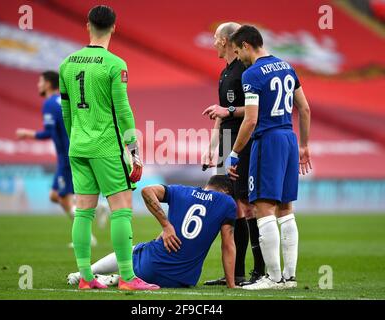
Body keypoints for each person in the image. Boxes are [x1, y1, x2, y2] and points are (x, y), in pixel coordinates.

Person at [59, 5, 157, 291]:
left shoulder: (67, 63)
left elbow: (65, 111)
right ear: (114, 28)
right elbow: (123, 110)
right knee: (122, 209)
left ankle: (86, 278)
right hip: (106, 147)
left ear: (87, 25)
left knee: (84, 212)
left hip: (78, 147)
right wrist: (133, 147)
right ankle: (127, 277)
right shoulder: (115, 64)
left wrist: (75, 138)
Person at [226, 25, 312, 290]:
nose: (238, 56)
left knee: (263, 208)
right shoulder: (287, 66)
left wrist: (234, 153)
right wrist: (305, 146)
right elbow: (305, 108)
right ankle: (289, 277)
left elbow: (250, 120)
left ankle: (273, 278)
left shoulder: (252, 74)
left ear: (247, 46)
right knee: (286, 209)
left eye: (238, 50)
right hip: (289, 138)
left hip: (268, 141)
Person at [67, 175, 237, 289]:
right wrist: (231, 285)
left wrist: (166, 225)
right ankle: (115, 278)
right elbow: (228, 245)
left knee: (137, 248)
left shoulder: (182, 191)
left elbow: (147, 190)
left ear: (208, 185)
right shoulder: (228, 203)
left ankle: (85, 273)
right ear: (227, 192)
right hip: (182, 279)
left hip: (148, 266)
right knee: (154, 248)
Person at [201, 22, 265, 286]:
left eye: (216, 37)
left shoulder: (245, 70)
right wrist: (212, 148)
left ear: (227, 41)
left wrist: (227, 112)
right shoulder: (225, 71)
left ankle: (258, 271)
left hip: (243, 143)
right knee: (230, 208)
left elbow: (250, 111)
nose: (213, 42)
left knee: (245, 207)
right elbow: (221, 113)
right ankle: (235, 274)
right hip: (227, 142)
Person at [15, 71, 97, 247]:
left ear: (48, 84)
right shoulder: (64, 101)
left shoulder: (50, 104)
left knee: (64, 198)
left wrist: (26, 133)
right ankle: (97, 211)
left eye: (40, 81)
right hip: (73, 152)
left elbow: (48, 133)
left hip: (66, 156)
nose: (38, 85)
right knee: (55, 196)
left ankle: (86, 237)